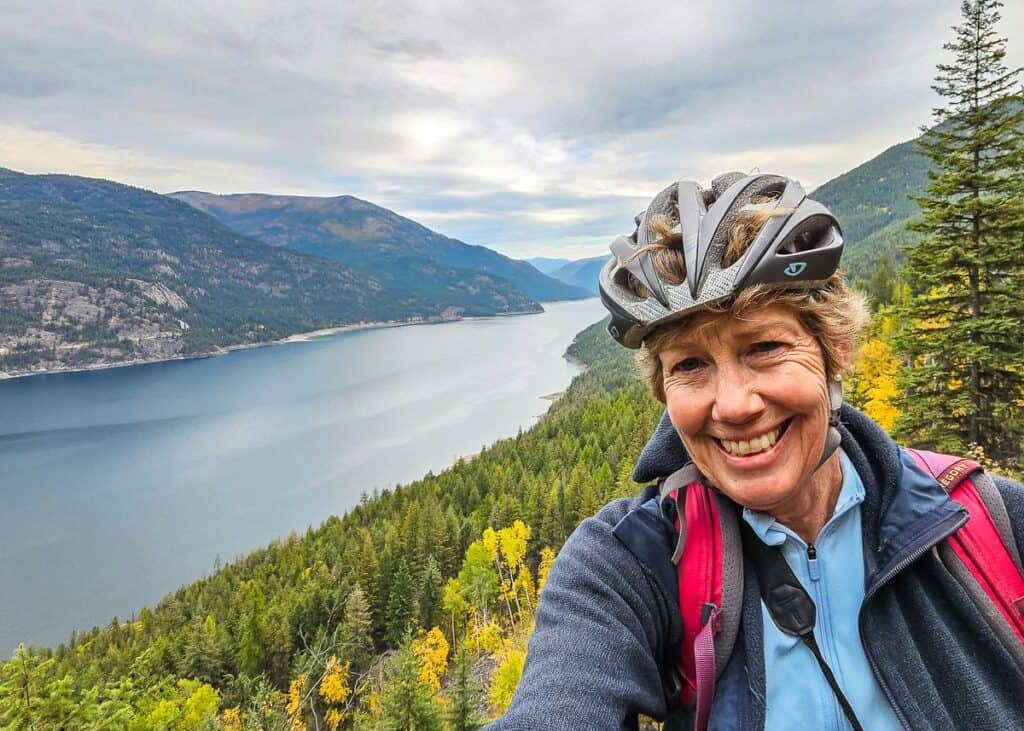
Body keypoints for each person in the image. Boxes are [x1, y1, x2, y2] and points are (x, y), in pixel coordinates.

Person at [489, 172, 1024, 730]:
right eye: (690, 365)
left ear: (834, 351)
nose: (736, 405)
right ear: (662, 390)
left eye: (765, 347)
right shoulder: (627, 564)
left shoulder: (987, 525)